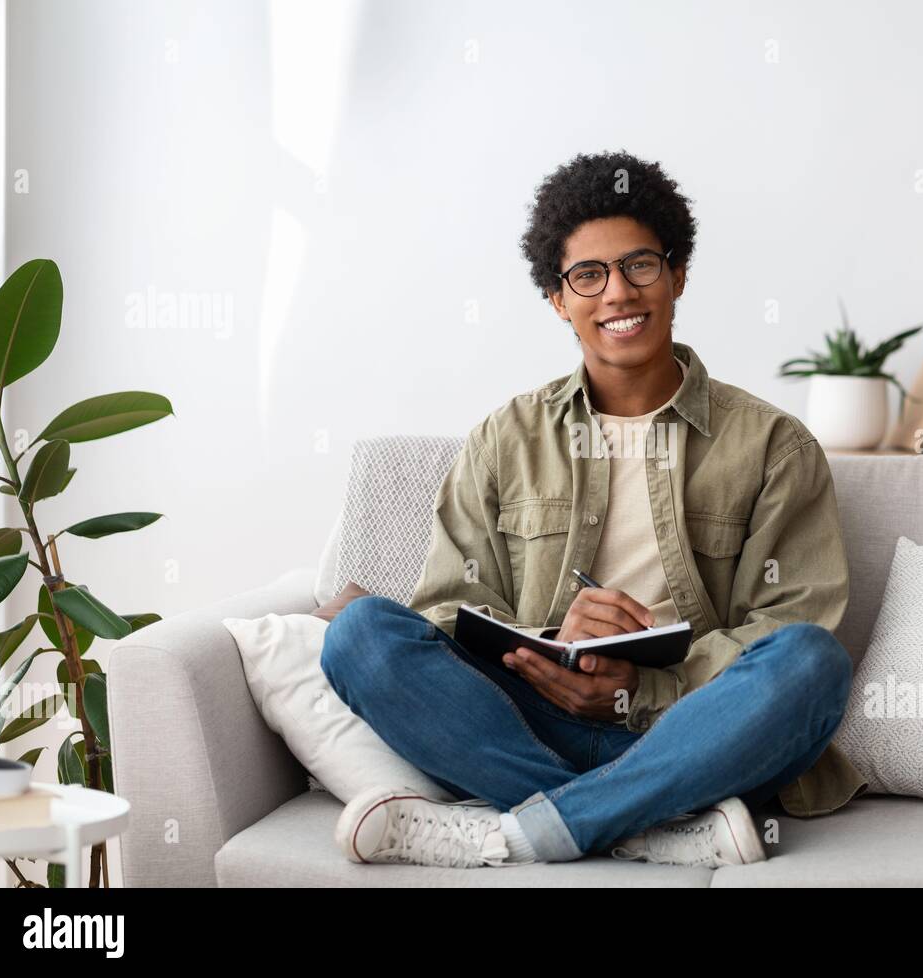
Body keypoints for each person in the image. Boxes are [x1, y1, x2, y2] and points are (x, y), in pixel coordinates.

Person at [320, 150, 868, 870]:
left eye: (640, 265)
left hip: (693, 733)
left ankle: (526, 830)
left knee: (811, 661)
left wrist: (641, 685)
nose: (617, 293)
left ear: (677, 274)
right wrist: (550, 649)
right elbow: (450, 612)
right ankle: (642, 827)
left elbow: (793, 621)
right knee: (361, 635)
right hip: (528, 723)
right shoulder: (504, 439)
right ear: (558, 297)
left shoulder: (773, 446)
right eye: (588, 275)